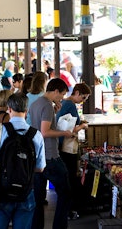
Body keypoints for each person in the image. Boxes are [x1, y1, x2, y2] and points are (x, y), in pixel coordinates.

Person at [0, 93, 46, 229]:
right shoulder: (36, 135)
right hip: (26, 191)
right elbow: (40, 168)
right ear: (26, 111)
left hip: (1, 192)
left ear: (9, 109)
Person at [28, 78, 73, 229]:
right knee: (65, 193)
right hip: (50, 156)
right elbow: (45, 132)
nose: (62, 98)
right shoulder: (47, 105)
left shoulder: (36, 103)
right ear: (55, 91)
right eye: (62, 94)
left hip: (37, 156)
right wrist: (64, 133)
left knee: (38, 199)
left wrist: (54, 113)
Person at [56, 83, 91, 220]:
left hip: (61, 145)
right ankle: (70, 209)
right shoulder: (69, 105)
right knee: (71, 177)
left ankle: (68, 209)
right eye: (83, 97)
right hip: (66, 147)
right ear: (76, 93)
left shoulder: (64, 103)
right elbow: (70, 129)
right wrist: (83, 125)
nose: (83, 101)